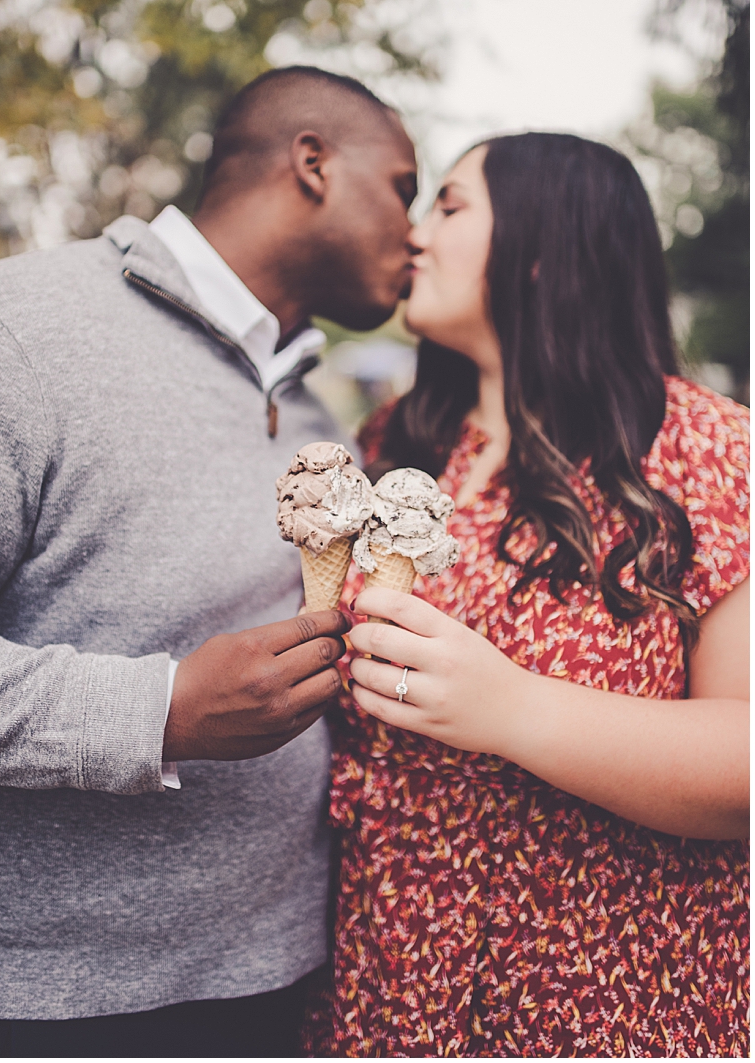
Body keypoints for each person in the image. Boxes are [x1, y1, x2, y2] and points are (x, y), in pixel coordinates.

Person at [0, 66, 421, 1056]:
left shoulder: (314, 413)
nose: (415, 230)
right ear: (312, 163)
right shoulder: (12, 333)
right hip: (52, 1007)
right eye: (402, 188)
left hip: (277, 980)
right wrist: (157, 713)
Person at [311, 133, 749, 1056]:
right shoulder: (399, 439)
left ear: (548, 246)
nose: (414, 232)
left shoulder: (711, 449)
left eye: (450, 205)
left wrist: (512, 708)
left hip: (609, 999)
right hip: (386, 984)